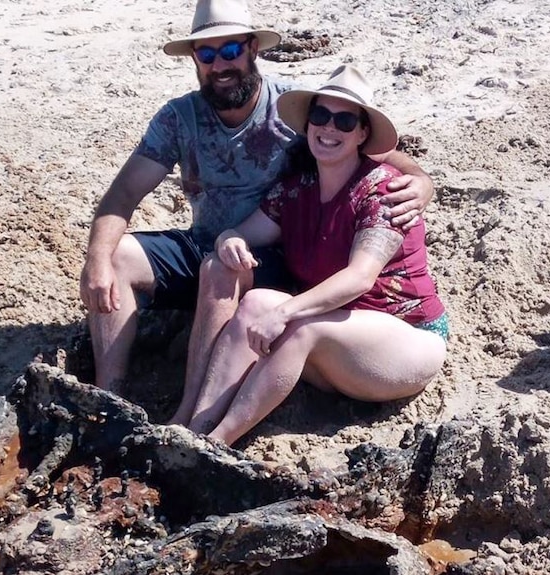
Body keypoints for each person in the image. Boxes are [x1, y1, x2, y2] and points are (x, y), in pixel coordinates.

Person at [78, 0, 436, 399]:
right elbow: (124, 192)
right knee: (116, 254)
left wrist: (421, 179)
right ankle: (106, 396)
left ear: (252, 49)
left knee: (223, 268)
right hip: (209, 240)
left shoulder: (296, 112)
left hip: (273, 259)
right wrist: (96, 259)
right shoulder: (178, 118)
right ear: (195, 59)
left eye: (230, 50)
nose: (220, 65)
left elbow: (371, 149)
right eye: (208, 53)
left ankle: (197, 402)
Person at [185, 65, 449, 446]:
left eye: (344, 121)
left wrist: (285, 312)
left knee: (299, 325)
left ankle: (217, 444)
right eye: (321, 116)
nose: (329, 129)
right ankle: (195, 427)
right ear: (308, 124)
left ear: (362, 134)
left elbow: (360, 277)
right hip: (340, 341)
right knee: (257, 301)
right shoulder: (297, 190)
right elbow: (243, 233)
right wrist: (229, 239)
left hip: (407, 338)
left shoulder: (384, 193)